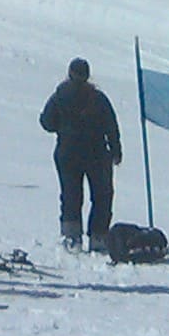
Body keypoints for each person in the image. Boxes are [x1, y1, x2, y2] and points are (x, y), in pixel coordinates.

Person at [40, 57, 124, 249]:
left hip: (67, 152)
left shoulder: (59, 96)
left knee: (71, 194)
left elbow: (47, 122)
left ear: (69, 73)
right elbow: (111, 126)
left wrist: (64, 127)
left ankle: (71, 238)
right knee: (102, 196)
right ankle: (99, 237)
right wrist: (116, 150)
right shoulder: (98, 98)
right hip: (97, 154)